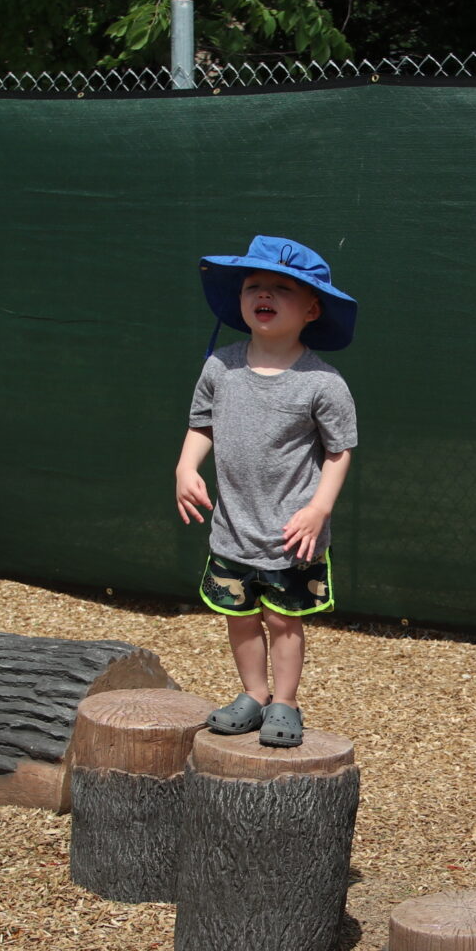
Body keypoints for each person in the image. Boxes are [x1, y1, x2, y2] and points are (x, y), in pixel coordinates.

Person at [174, 235, 358, 748]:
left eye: (283, 287)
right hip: (232, 528)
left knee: (282, 620)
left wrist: (319, 508)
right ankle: (254, 694)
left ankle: (286, 701)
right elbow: (201, 424)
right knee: (239, 617)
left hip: (290, 533)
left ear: (312, 309)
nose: (264, 294)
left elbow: (339, 451)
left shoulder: (323, 383)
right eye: (253, 285)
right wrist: (185, 467)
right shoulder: (221, 366)